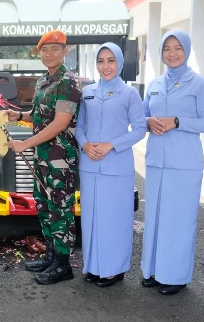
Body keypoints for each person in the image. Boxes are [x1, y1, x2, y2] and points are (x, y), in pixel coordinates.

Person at [140, 29, 204, 295]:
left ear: (186, 51)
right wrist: (149, 122)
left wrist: (178, 121)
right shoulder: (154, 84)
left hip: (184, 164)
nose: (172, 54)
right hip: (156, 161)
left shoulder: (199, 84)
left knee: (180, 220)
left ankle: (175, 276)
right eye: (166, 49)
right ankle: (152, 270)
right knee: (156, 218)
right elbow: (142, 116)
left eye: (178, 48)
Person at [6, 30, 82, 285]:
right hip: (43, 159)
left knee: (61, 210)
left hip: (60, 160)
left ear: (65, 52)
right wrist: (18, 116)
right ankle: (51, 255)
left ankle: (63, 265)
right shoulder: (43, 80)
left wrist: (25, 143)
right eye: (45, 50)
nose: (49, 54)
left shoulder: (68, 82)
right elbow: (40, 116)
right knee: (46, 208)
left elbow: (60, 123)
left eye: (55, 49)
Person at [75, 43, 146, 287]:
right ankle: (94, 267)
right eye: (101, 61)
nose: (105, 66)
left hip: (116, 166)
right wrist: (85, 145)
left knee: (114, 219)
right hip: (89, 165)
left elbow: (140, 129)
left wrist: (111, 145)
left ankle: (113, 270)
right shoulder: (88, 92)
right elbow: (79, 126)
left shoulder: (129, 94)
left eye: (111, 60)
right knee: (91, 218)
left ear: (119, 63)